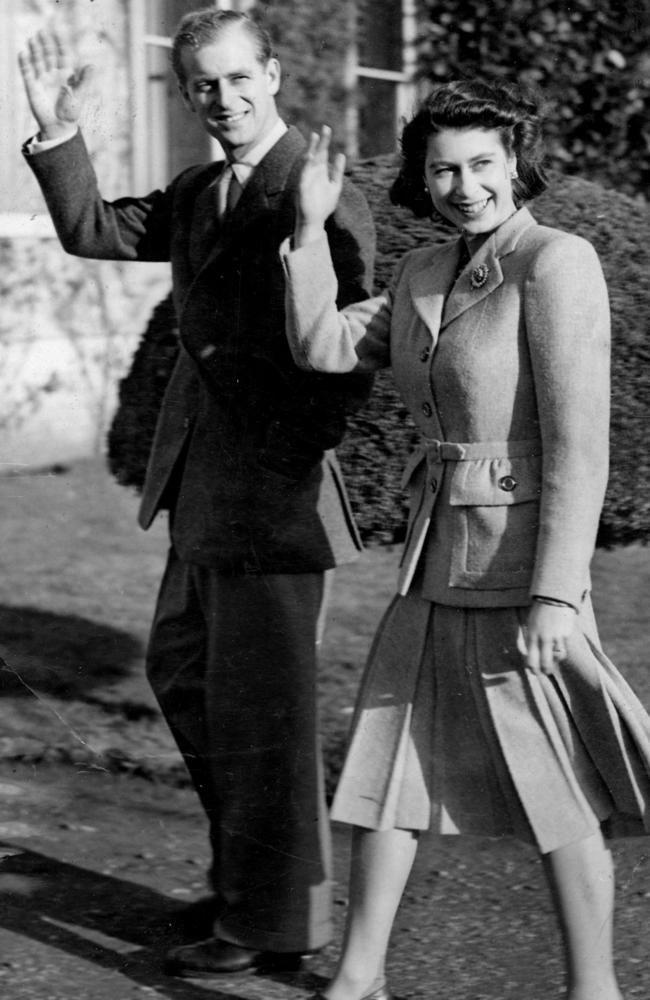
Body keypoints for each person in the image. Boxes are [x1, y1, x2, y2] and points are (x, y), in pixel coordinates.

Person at [18, 9, 375, 978]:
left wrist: (278, 461)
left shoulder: (314, 191)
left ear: (272, 74)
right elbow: (94, 229)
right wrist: (58, 133)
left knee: (263, 716)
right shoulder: (198, 188)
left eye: (236, 77)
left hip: (268, 499)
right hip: (197, 495)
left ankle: (273, 922)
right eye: (202, 85)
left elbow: (344, 359)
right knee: (190, 685)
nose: (222, 98)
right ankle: (244, 885)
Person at [281, 80, 650, 1000]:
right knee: (386, 760)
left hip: (520, 562)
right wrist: (308, 233)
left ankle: (594, 989)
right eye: (443, 167)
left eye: (482, 163)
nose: (463, 184)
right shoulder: (420, 272)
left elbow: (578, 445)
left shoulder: (555, 262)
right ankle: (358, 976)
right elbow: (323, 346)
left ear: (517, 161)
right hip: (433, 552)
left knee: (555, 781)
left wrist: (557, 595)